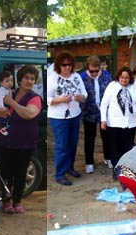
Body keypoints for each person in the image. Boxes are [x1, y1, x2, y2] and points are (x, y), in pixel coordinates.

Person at [0, 65, 42, 213]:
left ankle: (17, 201)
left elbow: (29, 114)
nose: (29, 81)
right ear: (19, 79)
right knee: (6, 173)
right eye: (26, 78)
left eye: (32, 78)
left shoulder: (35, 98)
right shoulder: (7, 92)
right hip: (7, 141)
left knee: (21, 174)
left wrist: (12, 103)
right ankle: (6, 202)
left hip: (25, 143)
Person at [47, 51, 87, 186]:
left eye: (70, 64)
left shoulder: (76, 77)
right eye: (64, 65)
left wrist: (80, 98)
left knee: (72, 144)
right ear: (59, 65)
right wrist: (60, 100)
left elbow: (84, 94)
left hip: (74, 114)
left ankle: (70, 167)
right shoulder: (52, 77)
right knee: (62, 145)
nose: (67, 67)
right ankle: (60, 174)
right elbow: (46, 98)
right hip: (58, 117)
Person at [100, 66, 136, 172]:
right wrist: (103, 120)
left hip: (131, 123)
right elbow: (104, 104)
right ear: (118, 77)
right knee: (115, 147)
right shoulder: (112, 86)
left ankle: (125, 169)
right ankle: (116, 169)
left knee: (127, 147)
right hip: (114, 122)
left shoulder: (135, 86)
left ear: (130, 78)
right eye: (122, 77)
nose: (124, 80)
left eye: (126, 78)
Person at [80, 55, 112, 173]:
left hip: (104, 112)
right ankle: (89, 162)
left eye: (96, 71)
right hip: (89, 112)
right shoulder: (82, 78)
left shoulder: (106, 75)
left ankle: (108, 158)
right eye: (91, 71)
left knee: (106, 136)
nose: (94, 73)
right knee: (89, 138)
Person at [0, 70, 14, 138]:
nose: (10, 83)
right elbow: (0, 99)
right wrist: (2, 107)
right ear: (1, 83)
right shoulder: (1, 90)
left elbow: (10, 95)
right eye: (7, 81)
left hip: (1, 104)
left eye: (11, 80)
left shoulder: (7, 89)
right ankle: (1, 128)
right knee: (4, 115)